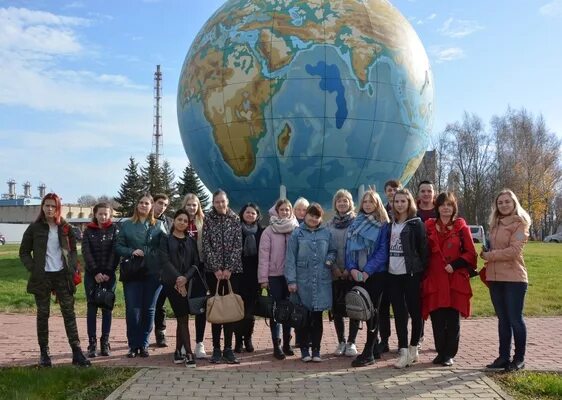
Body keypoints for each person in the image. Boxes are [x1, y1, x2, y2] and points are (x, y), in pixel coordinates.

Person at [19, 193, 90, 367]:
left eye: (53, 206)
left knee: (69, 314)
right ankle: (44, 354)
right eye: (47, 205)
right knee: (43, 314)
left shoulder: (65, 228)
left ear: (58, 208)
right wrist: (34, 268)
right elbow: (24, 252)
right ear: (42, 207)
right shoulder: (34, 228)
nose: (49, 209)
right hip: (42, 277)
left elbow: (73, 251)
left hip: (62, 276)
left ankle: (77, 352)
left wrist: (72, 266)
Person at [422, 192, 477, 367]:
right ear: (437, 207)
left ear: (454, 207)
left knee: (452, 319)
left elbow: (470, 253)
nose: (446, 207)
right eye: (442, 204)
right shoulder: (428, 226)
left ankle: (449, 354)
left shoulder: (461, 228)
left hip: (454, 278)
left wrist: (455, 264)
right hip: (435, 278)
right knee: (437, 318)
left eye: (449, 204)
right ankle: (440, 352)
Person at [480, 189, 531, 372]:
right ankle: (503, 357)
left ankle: (519, 358)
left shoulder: (521, 224)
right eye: (500, 202)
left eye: (507, 202)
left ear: (514, 203)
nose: (503, 205)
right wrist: (484, 251)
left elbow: (513, 251)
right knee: (503, 320)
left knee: (515, 319)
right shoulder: (494, 224)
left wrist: (490, 255)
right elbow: (492, 250)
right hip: (494, 278)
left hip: (514, 279)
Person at [115, 194, 167, 358]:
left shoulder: (159, 225)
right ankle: (133, 345)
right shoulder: (127, 225)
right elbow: (118, 245)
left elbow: (164, 248)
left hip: (153, 272)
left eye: (147, 203)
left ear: (152, 206)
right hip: (133, 271)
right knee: (133, 309)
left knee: (149, 309)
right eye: (141, 203)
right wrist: (131, 251)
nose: (144, 206)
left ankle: (144, 344)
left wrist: (148, 253)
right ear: (137, 205)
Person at [285, 203, 336, 362]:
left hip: (321, 281)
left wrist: (329, 260)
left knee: (317, 317)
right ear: (305, 215)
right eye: (311, 215)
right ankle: (304, 350)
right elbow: (290, 258)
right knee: (302, 317)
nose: (313, 219)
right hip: (302, 281)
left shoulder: (326, 233)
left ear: (320, 218)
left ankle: (316, 350)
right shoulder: (297, 233)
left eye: (317, 216)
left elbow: (333, 251)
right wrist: (291, 280)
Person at [345, 190, 390, 367]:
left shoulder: (383, 225)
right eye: (365, 202)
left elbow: (382, 251)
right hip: (358, 274)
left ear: (377, 203)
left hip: (375, 274)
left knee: (373, 312)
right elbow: (348, 248)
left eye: (371, 202)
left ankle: (369, 351)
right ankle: (370, 349)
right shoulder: (355, 223)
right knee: (360, 310)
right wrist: (352, 268)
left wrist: (367, 271)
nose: (368, 204)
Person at [387, 189, 428, 368]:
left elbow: (423, 250)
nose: (400, 204)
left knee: (415, 311)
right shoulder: (391, 223)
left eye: (403, 201)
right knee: (399, 313)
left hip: (411, 274)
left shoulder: (416, 223)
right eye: (397, 201)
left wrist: (420, 272)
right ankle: (403, 350)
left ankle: (413, 348)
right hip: (393, 275)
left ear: (409, 202)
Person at [202, 189, 243, 364]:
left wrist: (229, 268)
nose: (220, 204)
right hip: (214, 273)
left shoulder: (235, 219)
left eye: (223, 201)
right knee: (217, 308)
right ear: (213, 202)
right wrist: (216, 268)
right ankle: (216, 349)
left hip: (232, 273)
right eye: (217, 201)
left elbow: (237, 245)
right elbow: (206, 244)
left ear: (227, 202)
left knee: (229, 310)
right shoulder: (208, 219)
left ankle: (228, 348)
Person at [258, 199, 299, 359]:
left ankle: (288, 344)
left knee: (289, 309)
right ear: (277, 211)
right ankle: (277, 345)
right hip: (274, 276)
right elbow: (263, 257)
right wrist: (263, 278)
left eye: (288, 210)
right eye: (282, 210)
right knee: (276, 311)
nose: (285, 212)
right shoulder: (269, 231)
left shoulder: (296, 229)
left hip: (290, 276)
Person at [159, 209, 200, 367]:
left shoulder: (191, 241)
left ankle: (177, 351)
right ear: (174, 221)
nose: (182, 223)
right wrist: (178, 279)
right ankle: (189, 353)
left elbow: (196, 263)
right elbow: (165, 261)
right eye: (179, 219)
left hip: (188, 283)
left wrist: (186, 278)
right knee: (183, 318)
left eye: (185, 221)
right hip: (172, 284)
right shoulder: (166, 240)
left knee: (182, 317)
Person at [81, 202, 119, 358]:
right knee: (92, 308)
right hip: (92, 275)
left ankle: (105, 342)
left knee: (107, 308)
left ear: (110, 215)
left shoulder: (115, 230)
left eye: (106, 214)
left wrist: (108, 272)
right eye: (100, 213)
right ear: (95, 214)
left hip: (109, 275)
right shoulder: (88, 230)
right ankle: (92, 343)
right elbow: (86, 252)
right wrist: (96, 272)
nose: (103, 216)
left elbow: (115, 252)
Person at [326, 189, 359, 357]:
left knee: (354, 306)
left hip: (352, 271)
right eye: (339, 201)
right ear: (335, 204)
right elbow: (327, 248)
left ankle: (352, 342)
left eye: (345, 201)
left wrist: (349, 268)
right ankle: (341, 341)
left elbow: (357, 247)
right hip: (334, 272)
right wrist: (334, 269)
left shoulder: (357, 222)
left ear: (350, 203)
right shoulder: (329, 224)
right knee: (336, 307)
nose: (342, 203)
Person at [235, 203, 264, 353]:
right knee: (238, 310)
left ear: (257, 216)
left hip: (255, 276)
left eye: (253, 213)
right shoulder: (235, 229)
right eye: (247, 212)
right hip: (238, 275)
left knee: (250, 312)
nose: (250, 215)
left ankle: (248, 338)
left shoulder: (262, 232)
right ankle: (238, 340)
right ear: (242, 213)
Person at [182, 193, 208, 359]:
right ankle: (184, 343)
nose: (192, 208)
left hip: (199, 269)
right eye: (189, 205)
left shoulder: (203, 222)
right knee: (183, 308)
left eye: (195, 205)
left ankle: (199, 342)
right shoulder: (180, 221)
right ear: (184, 206)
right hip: (182, 270)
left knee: (200, 307)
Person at [378, 179, 401, 355]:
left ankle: (403, 342)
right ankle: (384, 340)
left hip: (401, 267)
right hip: (383, 267)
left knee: (401, 306)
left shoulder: (406, 211)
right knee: (383, 306)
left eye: (395, 189)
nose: (392, 192)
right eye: (389, 190)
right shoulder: (381, 211)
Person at [153, 194, 172, 347]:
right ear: (153, 203)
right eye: (160, 203)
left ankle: (161, 333)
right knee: (147, 304)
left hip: (166, 270)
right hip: (147, 269)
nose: (162, 207)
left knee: (161, 304)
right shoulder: (144, 221)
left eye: (165, 205)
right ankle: (142, 336)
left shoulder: (169, 222)